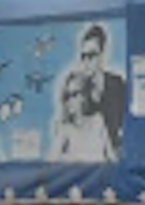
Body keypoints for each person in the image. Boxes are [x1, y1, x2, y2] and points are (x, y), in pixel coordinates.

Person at [48, 22, 121, 164]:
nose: (86, 61)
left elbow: (114, 155)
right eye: (83, 56)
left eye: (91, 55)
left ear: (103, 54)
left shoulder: (117, 84)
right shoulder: (78, 83)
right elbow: (51, 161)